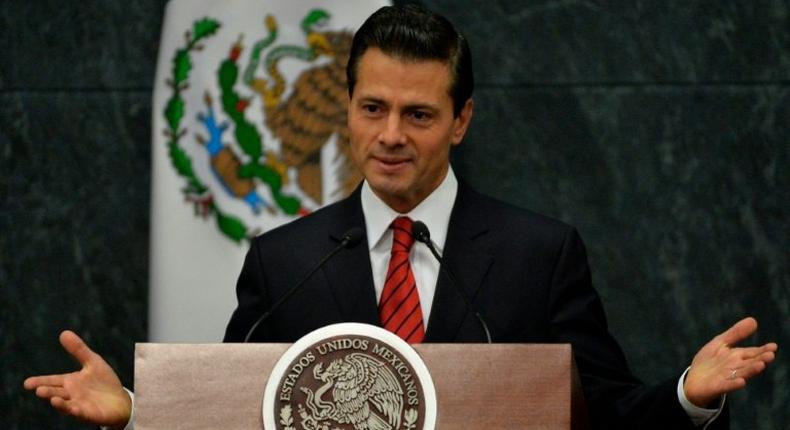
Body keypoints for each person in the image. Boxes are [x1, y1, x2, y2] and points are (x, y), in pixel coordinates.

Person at [24, 5, 777, 430]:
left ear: (462, 120)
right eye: (372, 108)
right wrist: (131, 411)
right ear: (347, 111)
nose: (390, 135)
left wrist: (687, 394)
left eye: (418, 114)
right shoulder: (285, 261)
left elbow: (605, 410)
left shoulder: (537, 252)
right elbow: (236, 407)